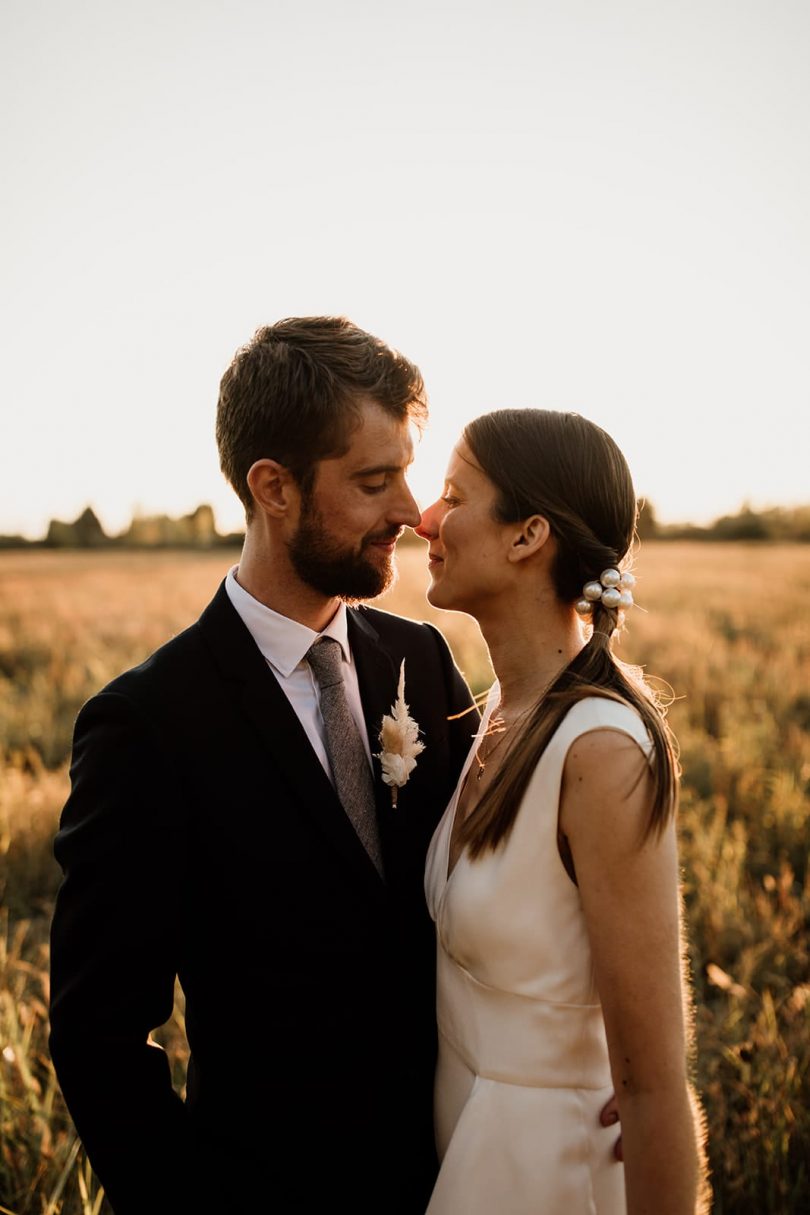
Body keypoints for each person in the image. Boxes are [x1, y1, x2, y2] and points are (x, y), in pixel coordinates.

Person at [48, 317, 478, 1215]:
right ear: (273, 488)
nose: (411, 508)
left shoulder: (424, 661)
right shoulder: (147, 724)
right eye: (373, 480)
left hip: (465, 1175)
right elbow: (99, 1037)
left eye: (408, 471)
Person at [416, 409, 709, 1215]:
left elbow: (652, 1087)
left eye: (453, 494)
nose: (424, 518)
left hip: (557, 1177)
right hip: (471, 1162)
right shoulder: (491, 717)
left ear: (527, 535)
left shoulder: (601, 751)